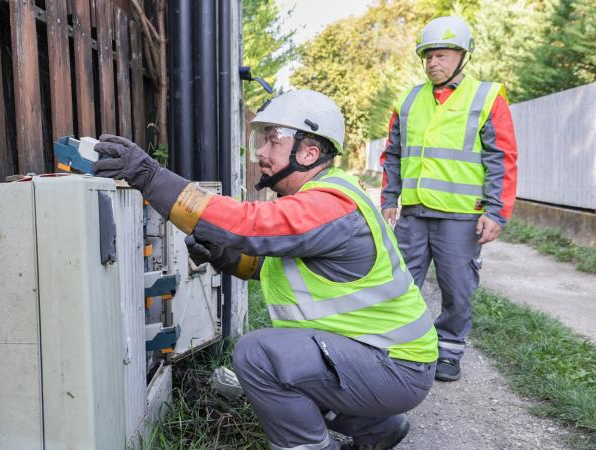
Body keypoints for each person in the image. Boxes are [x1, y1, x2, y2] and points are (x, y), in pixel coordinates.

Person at [93, 90, 437, 450]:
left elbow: (246, 223)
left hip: (394, 367)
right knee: (291, 365)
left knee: (259, 357)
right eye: (261, 139)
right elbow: (282, 268)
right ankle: (378, 429)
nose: (260, 152)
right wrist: (227, 257)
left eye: (272, 141)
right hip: (386, 359)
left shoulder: (328, 204)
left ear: (309, 152)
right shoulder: (327, 197)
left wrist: (150, 177)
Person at [380, 16, 518, 382]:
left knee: (457, 287)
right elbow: (393, 153)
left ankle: (450, 349)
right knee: (401, 283)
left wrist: (496, 211)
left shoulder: (487, 97)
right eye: (428, 57)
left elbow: (501, 157)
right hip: (412, 213)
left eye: (441, 55)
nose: (432, 64)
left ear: (462, 56)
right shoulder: (408, 99)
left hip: (461, 216)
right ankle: (402, 346)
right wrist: (390, 195)